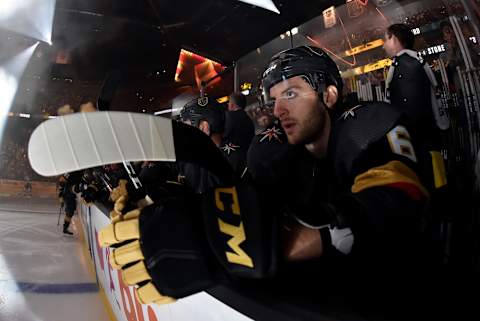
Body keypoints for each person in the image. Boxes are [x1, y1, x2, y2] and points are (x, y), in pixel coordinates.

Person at [97, 46, 434, 316]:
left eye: (291, 94)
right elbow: (248, 203)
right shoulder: (281, 151)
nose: (277, 110)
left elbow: (397, 201)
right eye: (274, 99)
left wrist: (265, 244)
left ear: (329, 95)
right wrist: (169, 206)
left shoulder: (369, 125)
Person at [221, 92, 255, 174]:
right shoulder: (249, 119)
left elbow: (223, 136)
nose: (228, 105)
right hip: (247, 160)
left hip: (232, 160)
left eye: (229, 102)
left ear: (232, 105)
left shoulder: (228, 117)